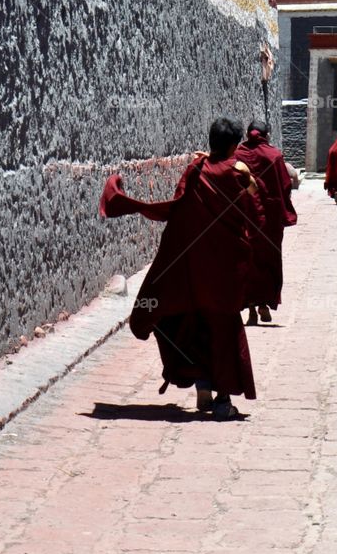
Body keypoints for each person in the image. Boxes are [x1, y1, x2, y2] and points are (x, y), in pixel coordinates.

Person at [99, 117, 264, 420]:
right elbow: (254, 215)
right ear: (232, 146)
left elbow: (178, 211)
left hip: (194, 270)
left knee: (194, 324)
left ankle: (203, 381)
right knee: (225, 331)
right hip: (225, 271)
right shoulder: (239, 175)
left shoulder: (195, 170)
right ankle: (223, 401)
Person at [236, 119, 297, 325]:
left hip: (244, 220)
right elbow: (285, 186)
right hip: (269, 223)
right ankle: (263, 304)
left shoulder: (237, 156)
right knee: (268, 261)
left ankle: (251, 308)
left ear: (247, 134)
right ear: (266, 134)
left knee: (247, 261)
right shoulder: (274, 156)